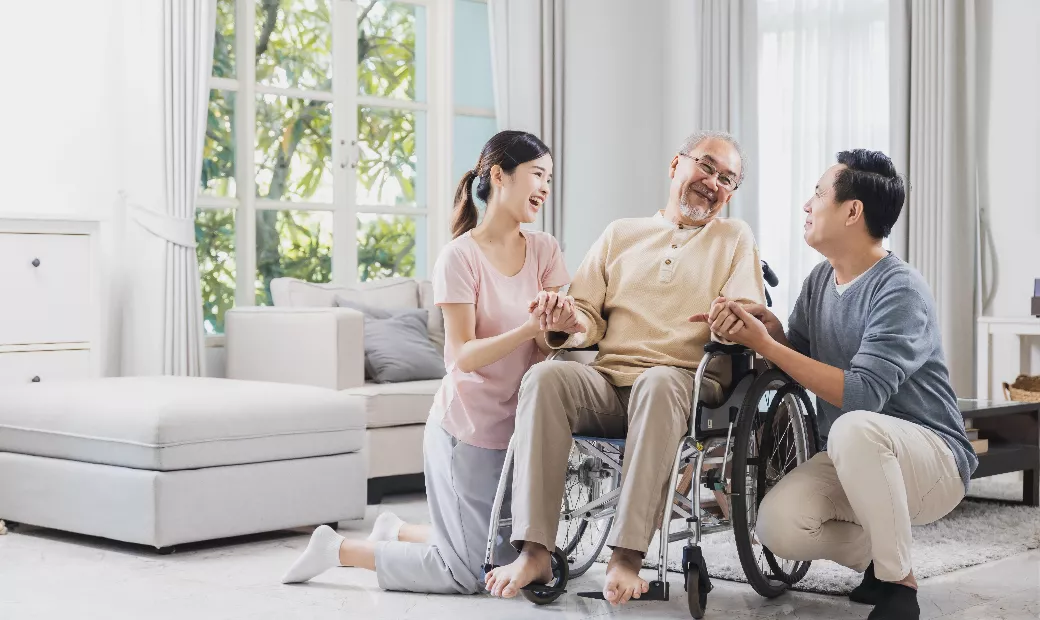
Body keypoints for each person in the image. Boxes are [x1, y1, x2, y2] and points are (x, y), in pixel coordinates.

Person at [280, 130, 580, 594]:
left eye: (550, 178)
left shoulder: (545, 249)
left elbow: (550, 344)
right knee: (466, 575)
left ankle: (396, 531)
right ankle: (338, 549)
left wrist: (564, 327)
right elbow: (461, 355)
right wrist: (528, 329)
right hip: (467, 430)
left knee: (510, 557)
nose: (545, 187)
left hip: (521, 428)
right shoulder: (459, 257)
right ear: (499, 176)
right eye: (537, 175)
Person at [485, 130, 766, 605]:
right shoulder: (620, 234)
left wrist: (731, 319)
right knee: (546, 376)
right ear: (676, 165)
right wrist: (567, 317)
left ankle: (627, 557)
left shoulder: (733, 237)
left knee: (657, 382)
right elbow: (585, 318)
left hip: (681, 384)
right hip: (610, 382)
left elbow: (747, 312)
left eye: (728, 180)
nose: (715, 183)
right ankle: (534, 549)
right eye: (707, 167)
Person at [695, 149, 977, 620]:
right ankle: (881, 555)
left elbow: (862, 394)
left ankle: (898, 585)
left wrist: (768, 344)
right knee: (778, 525)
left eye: (818, 194)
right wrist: (768, 330)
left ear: (852, 211)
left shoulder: (900, 289)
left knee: (854, 426)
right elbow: (797, 360)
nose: (807, 205)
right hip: (857, 456)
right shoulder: (821, 279)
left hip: (932, 460)